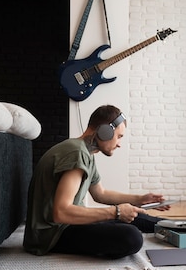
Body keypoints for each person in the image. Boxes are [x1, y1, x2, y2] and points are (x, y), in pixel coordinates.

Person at [23, 104, 169, 259]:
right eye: (119, 137)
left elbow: (101, 194)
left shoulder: (85, 152)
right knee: (131, 237)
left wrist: (139, 200)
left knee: (136, 216)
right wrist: (116, 212)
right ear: (105, 131)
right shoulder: (76, 153)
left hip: (67, 225)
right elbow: (61, 212)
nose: (119, 144)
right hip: (52, 234)